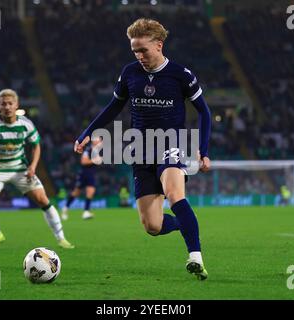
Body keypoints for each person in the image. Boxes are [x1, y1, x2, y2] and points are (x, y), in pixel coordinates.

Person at [74, 19, 211, 280]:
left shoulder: (181, 75)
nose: (139, 56)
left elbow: (204, 111)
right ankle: (186, 223)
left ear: (159, 45)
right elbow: (113, 108)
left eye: (143, 50)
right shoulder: (129, 73)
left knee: (174, 192)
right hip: (140, 149)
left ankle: (195, 256)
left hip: (172, 142)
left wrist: (203, 151)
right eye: (134, 50)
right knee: (153, 226)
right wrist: (87, 132)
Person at [0, 89, 74, 249]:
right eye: (3, 104)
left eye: (10, 103)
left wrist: (33, 167)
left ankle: (61, 238)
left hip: (20, 168)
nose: (7, 107)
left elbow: (36, 146)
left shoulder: (26, 124)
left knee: (43, 200)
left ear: (16, 105)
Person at [61, 137, 102, 220]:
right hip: (84, 173)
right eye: (98, 140)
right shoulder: (88, 150)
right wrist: (95, 160)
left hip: (91, 174)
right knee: (76, 192)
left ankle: (86, 212)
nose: (99, 142)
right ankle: (65, 208)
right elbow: (83, 161)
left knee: (91, 191)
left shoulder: (97, 151)